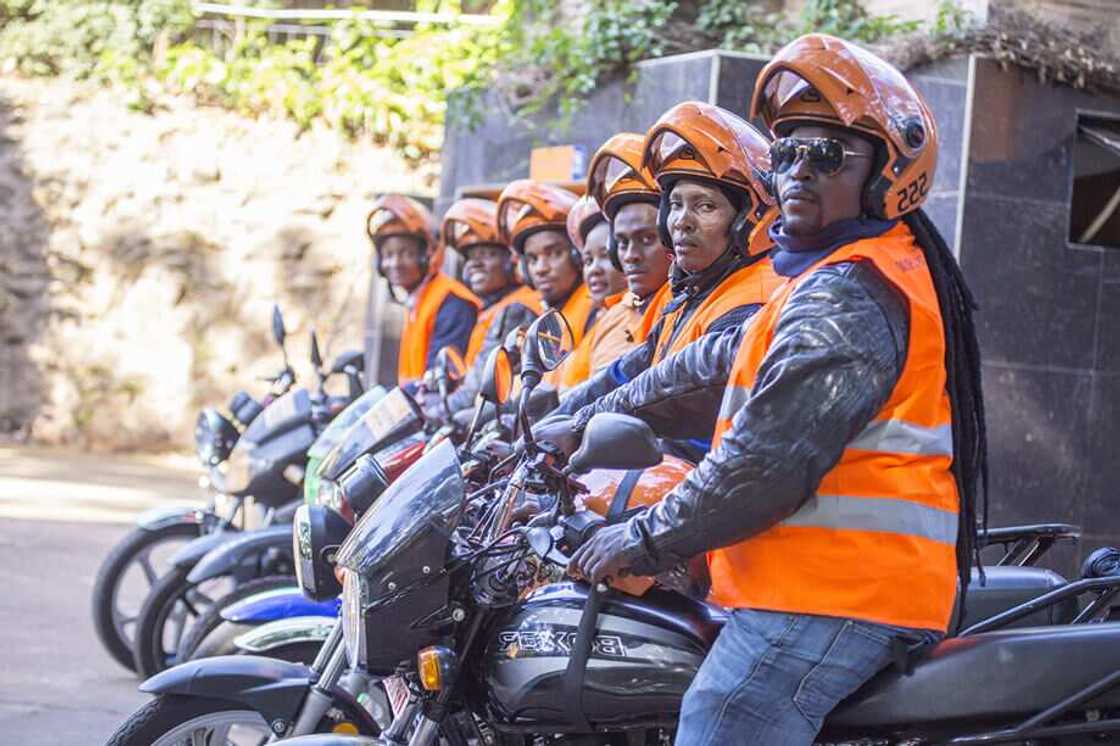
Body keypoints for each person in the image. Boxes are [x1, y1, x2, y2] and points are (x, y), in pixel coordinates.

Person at [551, 34, 987, 746]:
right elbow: (705, 361)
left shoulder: (849, 296)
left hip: (841, 595)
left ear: (887, 172)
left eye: (825, 154)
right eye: (786, 152)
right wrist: (587, 410)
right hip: (818, 587)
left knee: (722, 716)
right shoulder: (821, 279)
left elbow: (762, 465)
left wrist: (640, 537)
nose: (796, 171)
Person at [549, 102, 783, 459]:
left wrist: (578, 431)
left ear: (748, 221)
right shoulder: (692, 296)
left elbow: (681, 401)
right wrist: (551, 425)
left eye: (705, 206)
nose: (681, 222)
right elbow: (622, 376)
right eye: (674, 204)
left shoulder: (750, 300)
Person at [557, 133, 674, 390]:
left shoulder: (678, 309)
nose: (631, 254)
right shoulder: (616, 313)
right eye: (621, 243)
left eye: (646, 239)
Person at [439, 197, 541, 415]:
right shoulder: (493, 308)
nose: (475, 263)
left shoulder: (517, 309)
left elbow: (476, 390)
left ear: (512, 261)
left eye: (487, 254)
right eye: (471, 257)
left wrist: (437, 411)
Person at [367, 194, 480, 386]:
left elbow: (438, 383)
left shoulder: (453, 303)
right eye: (388, 255)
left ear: (426, 255)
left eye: (405, 253)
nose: (395, 263)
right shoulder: (417, 303)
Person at [496, 180, 594, 343]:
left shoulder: (594, 309)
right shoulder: (547, 316)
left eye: (554, 253)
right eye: (532, 259)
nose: (540, 269)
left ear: (578, 255)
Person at [555, 194, 628, 390]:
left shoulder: (629, 317)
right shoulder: (600, 316)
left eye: (605, 255)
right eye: (588, 260)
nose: (594, 269)